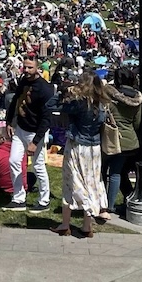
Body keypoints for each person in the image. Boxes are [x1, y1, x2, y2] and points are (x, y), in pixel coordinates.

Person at [49, 73, 109, 238]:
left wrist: (62, 92)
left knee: (71, 182)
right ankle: (87, 225)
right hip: (94, 148)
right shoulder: (102, 104)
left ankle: (65, 223)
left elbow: (51, 106)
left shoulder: (79, 104)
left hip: (77, 146)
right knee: (92, 182)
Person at [5, 56, 55, 212]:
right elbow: (15, 101)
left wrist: (35, 141)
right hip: (20, 128)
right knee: (13, 161)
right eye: (25, 67)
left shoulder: (45, 89)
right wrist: (9, 121)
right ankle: (19, 198)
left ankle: (44, 200)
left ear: (37, 68)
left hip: (35, 131)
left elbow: (47, 119)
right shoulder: (23, 81)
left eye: (30, 68)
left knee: (38, 166)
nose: (26, 70)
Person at [103, 67, 141, 215]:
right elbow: (137, 123)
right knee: (116, 173)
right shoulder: (137, 99)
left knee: (103, 172)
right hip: (129, 140)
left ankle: (102, 203)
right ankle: (111, 205)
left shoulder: (108, 94)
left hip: (109, 137)